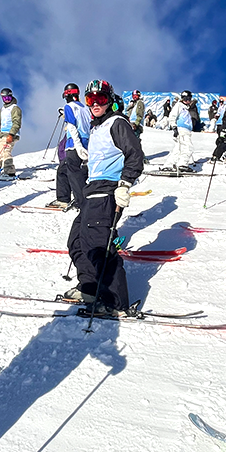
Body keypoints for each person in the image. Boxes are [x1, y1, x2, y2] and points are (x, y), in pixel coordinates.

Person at [64, 80, 143, 315]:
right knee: (77, 241)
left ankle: (114, 302)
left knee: (101, 246)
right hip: (92, 191)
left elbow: (135, 155)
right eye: (91, 99)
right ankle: (90, 287)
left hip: (108, 191)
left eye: (101, 99)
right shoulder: (96, 126)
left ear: (110, 101)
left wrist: (125, 184)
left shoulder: (117, 123)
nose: (96, 103)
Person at [48, 83, 90, 210]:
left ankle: (79, 201)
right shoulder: (86, 108)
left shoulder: (69, 107)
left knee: (72, 172)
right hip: (86, 141)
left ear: (66, 96)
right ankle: (66, 198)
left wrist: (77, 145)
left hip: (74, 143)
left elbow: (71, 126)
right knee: (65, 170)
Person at [0, 87, 21, 180]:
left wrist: (11, 134)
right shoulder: (3, 109)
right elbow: (1, 118)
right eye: (4, 98)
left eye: (8, 98)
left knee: (5, 151)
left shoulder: (15, 108)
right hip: (2, 134)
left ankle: (9, 172)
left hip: (10, 134)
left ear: (11, 97)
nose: (6, 100)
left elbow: (17, 122)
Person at [164, 90, 196, 172]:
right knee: (188, 147)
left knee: (178, 149)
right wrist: (174, 127)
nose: (187, 101)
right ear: (182, 98)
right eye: (186, 99)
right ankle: (182, 164)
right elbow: (172, 116)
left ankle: (169, 165)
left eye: (189, 99)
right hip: (182, 130)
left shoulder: (186, 108)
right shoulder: (179, 106)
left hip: (185, 131)